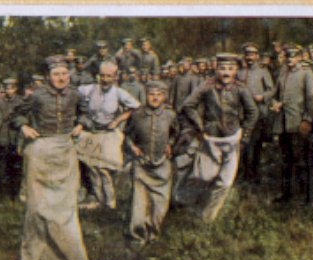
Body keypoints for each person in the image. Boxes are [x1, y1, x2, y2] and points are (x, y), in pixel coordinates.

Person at [12, 55, 93, 260]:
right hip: (40, 151)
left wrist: (81, 125)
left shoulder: (75, 94)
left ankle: (70, 259)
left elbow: (86, 114)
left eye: (64, 74)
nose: (61, 78)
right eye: (56, 74)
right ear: (48, 76)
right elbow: (16, 114)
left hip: (65, 151)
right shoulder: (37, 95)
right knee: (37, 207)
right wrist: (24, 128)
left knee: (65, 207)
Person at [174, 53, 259, 222]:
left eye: (230, 68)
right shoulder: (207, 86)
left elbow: (253, 112)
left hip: (232, 139)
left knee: (225, 183)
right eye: (222, 68)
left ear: (236, 70)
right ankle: (181, 199)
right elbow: (188, 105)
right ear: (216, 68)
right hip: (211, 139)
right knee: (204, 176)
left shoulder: (240, 88)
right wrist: (200, 126)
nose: (226, 73)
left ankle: (206, 217)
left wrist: (245, 135)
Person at [76, 61, 140, 210]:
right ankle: (98, 199)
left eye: (109, 76)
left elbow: (136, 107)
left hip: (109, 134)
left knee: (104, 169)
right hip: (93, 133)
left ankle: (110, 202)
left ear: (115, 77)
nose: (105, 80)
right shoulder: (90, 89)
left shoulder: (118, 92)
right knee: (92, 167)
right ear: (98, 76)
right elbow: (72, 93)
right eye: (102, 76)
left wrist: (118, 120)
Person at [125, 81, 178, 244]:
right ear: (145, 95)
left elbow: (176, 133)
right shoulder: (137, 115)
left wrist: (171, 144)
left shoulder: (170, 115)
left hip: (162, 165)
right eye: (151, 94)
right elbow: (126, 136)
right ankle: (137, 236)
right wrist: (132, 147)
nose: (155, 98)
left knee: (160, 204)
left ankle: (154, 232)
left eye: (159, 94)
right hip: (141, 164)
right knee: (139, 204)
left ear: (164, 96)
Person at [271, 44, 313, 203]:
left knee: (301, 161)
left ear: (299, 57)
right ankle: (286, 194)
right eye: (288, 56)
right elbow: (275, 94)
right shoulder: (282, 73)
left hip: (298, 123)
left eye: (293, 56)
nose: (290, 59)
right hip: (283, 123)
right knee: (286, 160)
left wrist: (307, 120)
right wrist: (275, 103)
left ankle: (306, 196)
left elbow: (312, 99)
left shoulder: (307, 74)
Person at [237, 42, 275, 182]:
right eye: (247, 54)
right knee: (244, 144)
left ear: (257, 56)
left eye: (252, 54)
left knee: (256, 144)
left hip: (259, 113)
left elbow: (271, 90)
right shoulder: (240, 72)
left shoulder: (263, 71)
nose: (249, 57)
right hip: (243, 114)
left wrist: (262, 97)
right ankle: (245, 173)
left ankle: (255, 173)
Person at [0, 78, 24, 199]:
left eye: (11, 88)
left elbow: (22, 119)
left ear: (15, 89)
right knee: (2, 167)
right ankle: (2, 194)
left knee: (16, 167)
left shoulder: (20, 101)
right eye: (7, 88)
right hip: (2, 138)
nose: (9, 91)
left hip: (15, 138)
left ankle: (15, 194)